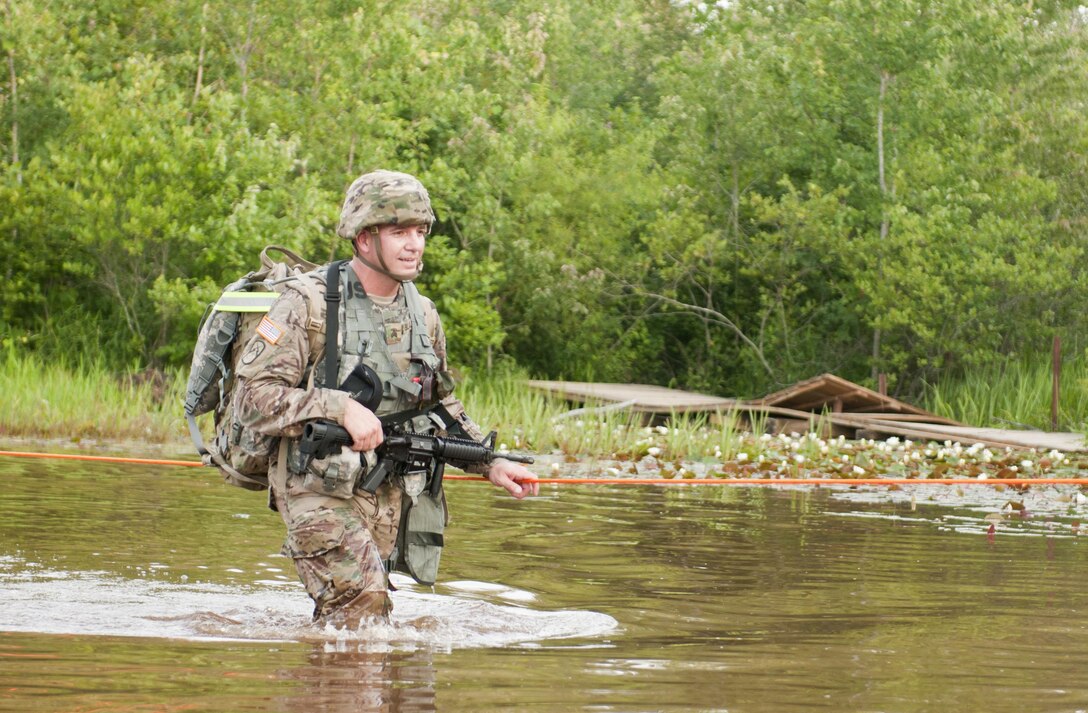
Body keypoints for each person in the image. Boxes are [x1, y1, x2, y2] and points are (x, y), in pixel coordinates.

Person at [234, 169, 538, 628]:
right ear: (363, 240)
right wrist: (339, 407)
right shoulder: (306, 304)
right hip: (314, 485)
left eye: (420, 232)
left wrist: (490, 462)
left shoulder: (424, 314)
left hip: (383, 491)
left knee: (360, 624)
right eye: (400, 232)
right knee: (363, 606)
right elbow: (252, 399)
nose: (414, 243)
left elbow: (437, 408)